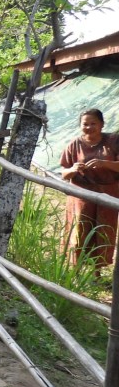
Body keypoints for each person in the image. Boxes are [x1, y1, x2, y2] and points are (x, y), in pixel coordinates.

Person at [59, 108, 119, 268]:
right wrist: (73, 169)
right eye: (85, 124)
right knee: (80, 230)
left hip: (108, 194)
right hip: (81, 195)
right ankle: (76, 269)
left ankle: (97, 270)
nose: (89, 127)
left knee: (104, 231)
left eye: (93, 123)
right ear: (80, 126)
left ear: (102, 124)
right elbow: (64, 173)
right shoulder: (74, 145)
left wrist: (104, 163)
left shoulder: (114, 141)